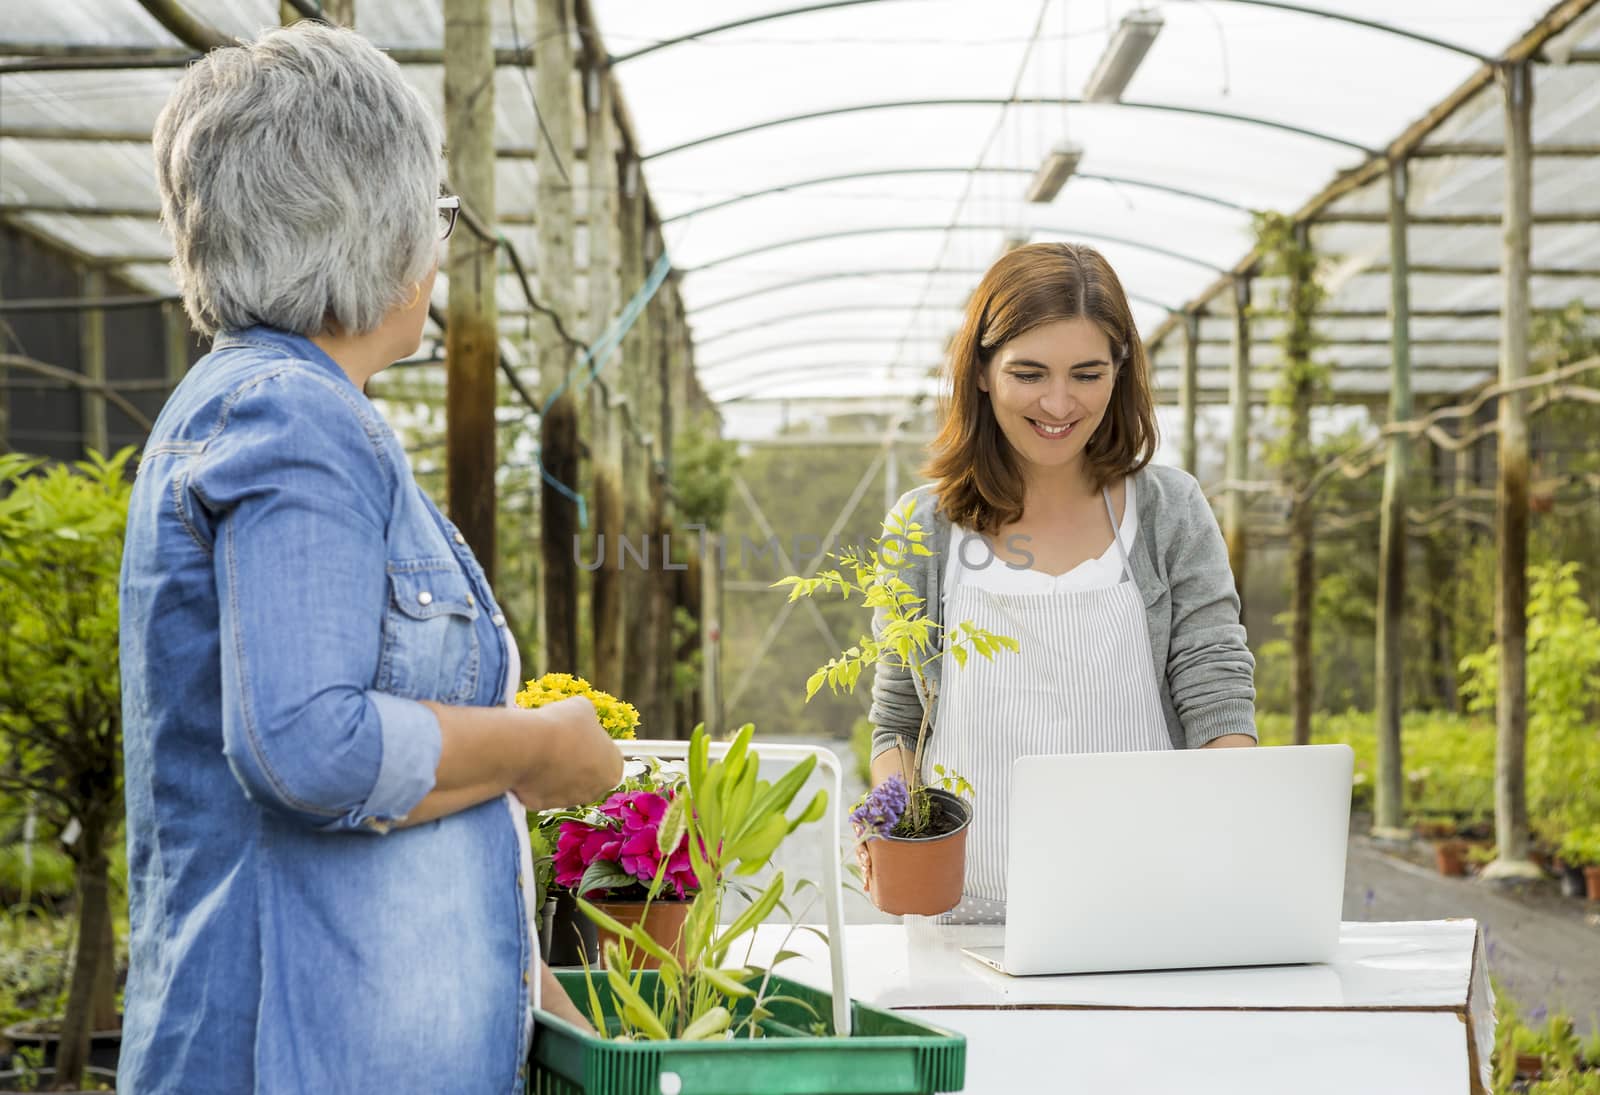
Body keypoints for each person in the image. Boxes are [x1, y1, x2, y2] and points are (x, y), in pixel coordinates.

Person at [118, 24, 619, 1093]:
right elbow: (309, 746)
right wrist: (538, 748)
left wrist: (520, 984)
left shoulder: (263, 402)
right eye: (433, 212)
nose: (436, 246)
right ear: (376, 220)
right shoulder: (293, 415)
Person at [866, 242, 1256, 924]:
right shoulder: (924, 526)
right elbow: (899, 722)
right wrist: (888, 827)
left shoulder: (1170, 510)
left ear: (1120, 371)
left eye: (1086, 373)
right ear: (981, 372)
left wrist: (1236, 848)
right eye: (1028, 372)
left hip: (1152, 908)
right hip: (964, 914)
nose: (1058, 402)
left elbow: (1217, 696)